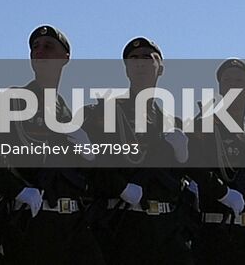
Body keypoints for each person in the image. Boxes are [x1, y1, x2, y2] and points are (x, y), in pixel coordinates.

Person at [0, 25, 104, 265]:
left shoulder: (67, 113)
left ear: (65, 58)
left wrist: (89, 157)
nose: (40, 51)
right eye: (35, 47)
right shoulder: (8, 101)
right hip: (32, 224)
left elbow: (83, 177)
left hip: (72, 225)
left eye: (48, 46)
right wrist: (17, 190)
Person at [82, 37, 193, 265]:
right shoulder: (104, 113)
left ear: (160, 68)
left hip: (167, 228)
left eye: (147, 58)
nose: (140, 63)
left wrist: (183, 160)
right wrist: (120, 187)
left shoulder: (173, 122)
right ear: (126, 69)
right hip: (123, 226)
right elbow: (90, 162)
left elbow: (182, 180)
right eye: (133, 58)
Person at [187, 59, 245, 265]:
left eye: (239, 81)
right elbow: (195, 167)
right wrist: (224, 193)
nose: (233, 86)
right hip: (217, 234)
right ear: (220, 87)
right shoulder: (203, 127)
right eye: (227, 81)